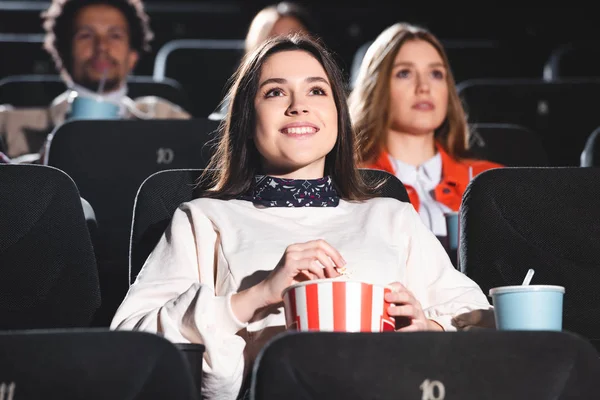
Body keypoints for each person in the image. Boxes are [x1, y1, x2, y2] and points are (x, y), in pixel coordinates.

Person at [111, 35, 491, 399]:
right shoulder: (202, 219)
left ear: (339, 116)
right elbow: (130, 342)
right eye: (275, 92)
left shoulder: (391, 216)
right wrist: (254, 297)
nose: (299, 106)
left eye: (317, 90)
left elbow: (477, 318)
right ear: (246, 118)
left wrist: (428, 328)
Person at [349, 23, 502, 238]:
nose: (424, 87)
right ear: (375, 88)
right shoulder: (347, 183)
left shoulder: (491, 183)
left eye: (436, 74)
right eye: (404, 73)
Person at [0, 0, 190, 160]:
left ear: (132, 56)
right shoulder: (8, 124)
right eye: (86, 35)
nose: (101, 47)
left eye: (115, 35)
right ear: (64, 53)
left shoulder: (168, 119)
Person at [209, 2, 314, 120]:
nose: (286, 45)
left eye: (294, 36)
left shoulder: (330, 82)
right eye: (273, 39)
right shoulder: (242, 92)